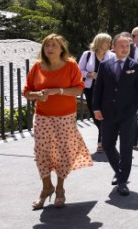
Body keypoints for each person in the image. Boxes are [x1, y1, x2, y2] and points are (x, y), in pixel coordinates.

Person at [23, 34, 92, 209]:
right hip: (42, 115)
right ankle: (46, 187)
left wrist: (58, 90)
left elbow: (78, 90)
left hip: (65, 116)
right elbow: (26, 92)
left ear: (62, 49)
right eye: (47, 45)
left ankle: (60, 189)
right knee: (41, 152)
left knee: (63, 152)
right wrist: (36, 95)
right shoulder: (37, 67)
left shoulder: (71, 66)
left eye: (54, 45)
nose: (50, 49)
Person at [92, 33, 138, 196]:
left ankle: (122, 181)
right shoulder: (105, 65)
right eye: (121, 46)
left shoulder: (136, 66)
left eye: (127, 46)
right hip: (107, 113)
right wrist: (96, 108)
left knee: (126, 148)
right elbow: (98, 88)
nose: (125, 49)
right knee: (107, 144)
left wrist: (136, 109)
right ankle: (119, 171)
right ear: (113, 47)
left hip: (128, 114)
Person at [78, 32, 114, 153]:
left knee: (104, 114)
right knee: (95, 115)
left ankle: (101, 141)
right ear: (99, 42)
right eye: (107, 42)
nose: (109, 44)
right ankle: (105, 136)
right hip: (90, 89)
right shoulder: (87, 54)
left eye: (110, 42)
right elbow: (79, 70)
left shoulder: (112, 56)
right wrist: (89, 74)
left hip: (106, 90)